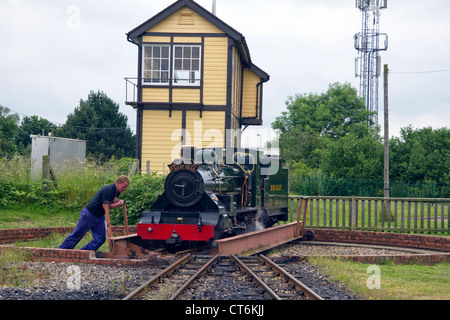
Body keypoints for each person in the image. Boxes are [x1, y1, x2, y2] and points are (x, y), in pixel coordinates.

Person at [59, 175, 130, 251]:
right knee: (77, 235)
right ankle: (60, 251)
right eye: (123, 187)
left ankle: (84, 253)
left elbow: (110, 202)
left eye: (126, 187)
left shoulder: (117, 192)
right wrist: (119, 203)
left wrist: (115, 201)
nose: (124, 189)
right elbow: (106, 206)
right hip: (89, 214)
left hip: (99, 217)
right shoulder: (108, 189)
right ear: (118, 183)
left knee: (100, 239)